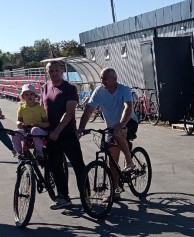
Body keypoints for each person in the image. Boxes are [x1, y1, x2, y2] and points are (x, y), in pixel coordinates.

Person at [77, 67, 139, 199]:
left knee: (118, 133)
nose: (102, 81)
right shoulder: (98, 91)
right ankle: (115, 191)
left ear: (114, 79)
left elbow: (128, 107)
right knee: (112, 159)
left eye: (104, 78)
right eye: (101, 78)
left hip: (128, 121)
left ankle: (129, 161)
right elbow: (89, 110)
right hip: (112, 126)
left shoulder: (124, 89)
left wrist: (121, 124)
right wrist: (81, 128)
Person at [41, 60, 86, 209]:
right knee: (56, 167)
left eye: (56, 70)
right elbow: (41, 111)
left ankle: (86, 196)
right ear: (47, 72)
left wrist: (57, 131)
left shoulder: (69, 88)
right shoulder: (44, 88)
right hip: (51, 135)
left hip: (67, 133)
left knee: (78, 165)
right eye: (51, 71)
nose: (54, 73)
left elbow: (69, 113)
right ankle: (63, 197)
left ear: (62, 71)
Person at [13, 83, 49, 159]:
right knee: (14, 133)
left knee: (34, 130)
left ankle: (39, 152)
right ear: (23, 97)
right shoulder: (21, 108)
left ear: (35, 96)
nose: (29, 96)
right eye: (26, 94)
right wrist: (19, 123)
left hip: (39, 131)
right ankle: (20, 153)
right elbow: (18, 121)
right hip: (26, 131)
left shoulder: (40, 108)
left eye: (31, 94)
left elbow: (47, 123)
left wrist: (38, 125)